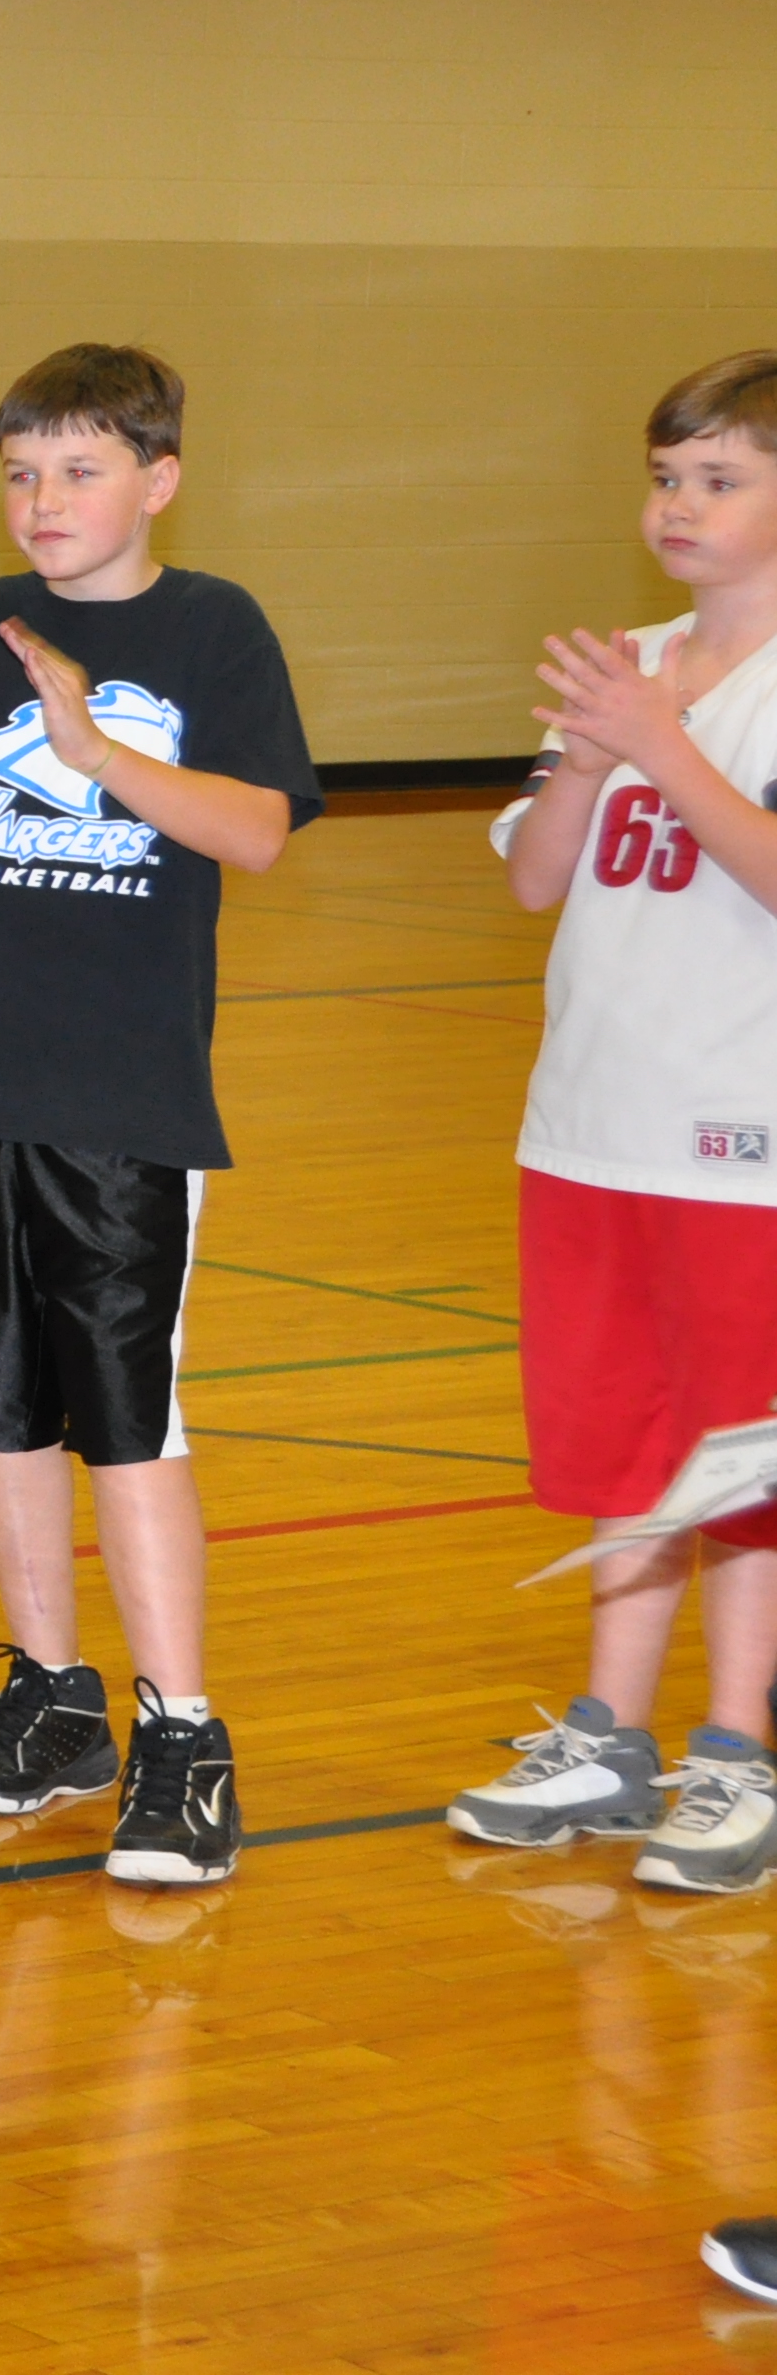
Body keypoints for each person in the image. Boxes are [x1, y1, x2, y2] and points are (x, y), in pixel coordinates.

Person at [0, 345, 320, 1889]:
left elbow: (257, 832)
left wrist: (95, 753)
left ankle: (183, 1735)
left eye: (79, 470)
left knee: (130, 1424)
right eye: (22, 472)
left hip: (124, 1105)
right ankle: (53, 1697)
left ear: (159, 480)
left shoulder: (214, 627)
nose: (43, 499)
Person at [449, 350, 777, 1894]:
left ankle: (737, 1750)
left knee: (743, 1470)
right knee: (627, 1452)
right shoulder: (629, 662)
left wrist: (662, 745)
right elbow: (534, 879)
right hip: (588, 1126)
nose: (678, 506)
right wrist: (589, 761)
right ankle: (608, 1734)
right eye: (665, 477)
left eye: (720, 480)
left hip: (741, 1142)